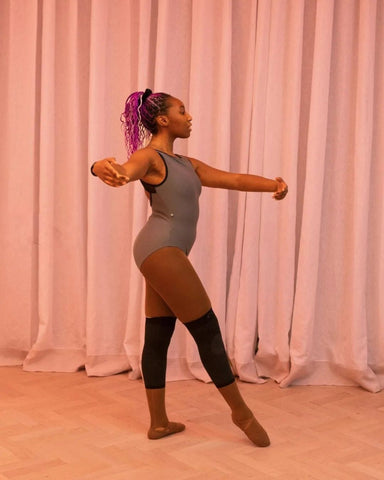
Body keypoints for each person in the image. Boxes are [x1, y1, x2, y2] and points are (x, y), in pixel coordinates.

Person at [91, 88, 288, 447]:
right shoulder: (148, 157)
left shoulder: (188, 164)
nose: (190, 116)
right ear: (164, 120)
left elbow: (233, 179)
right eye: (183, 111)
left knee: (159, 333)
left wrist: (273, 185)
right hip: (160, 248)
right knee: (206, 327)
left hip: (163, 251)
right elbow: (125, 170)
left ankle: (159, 423)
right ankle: (240, 412)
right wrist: (103, 168)